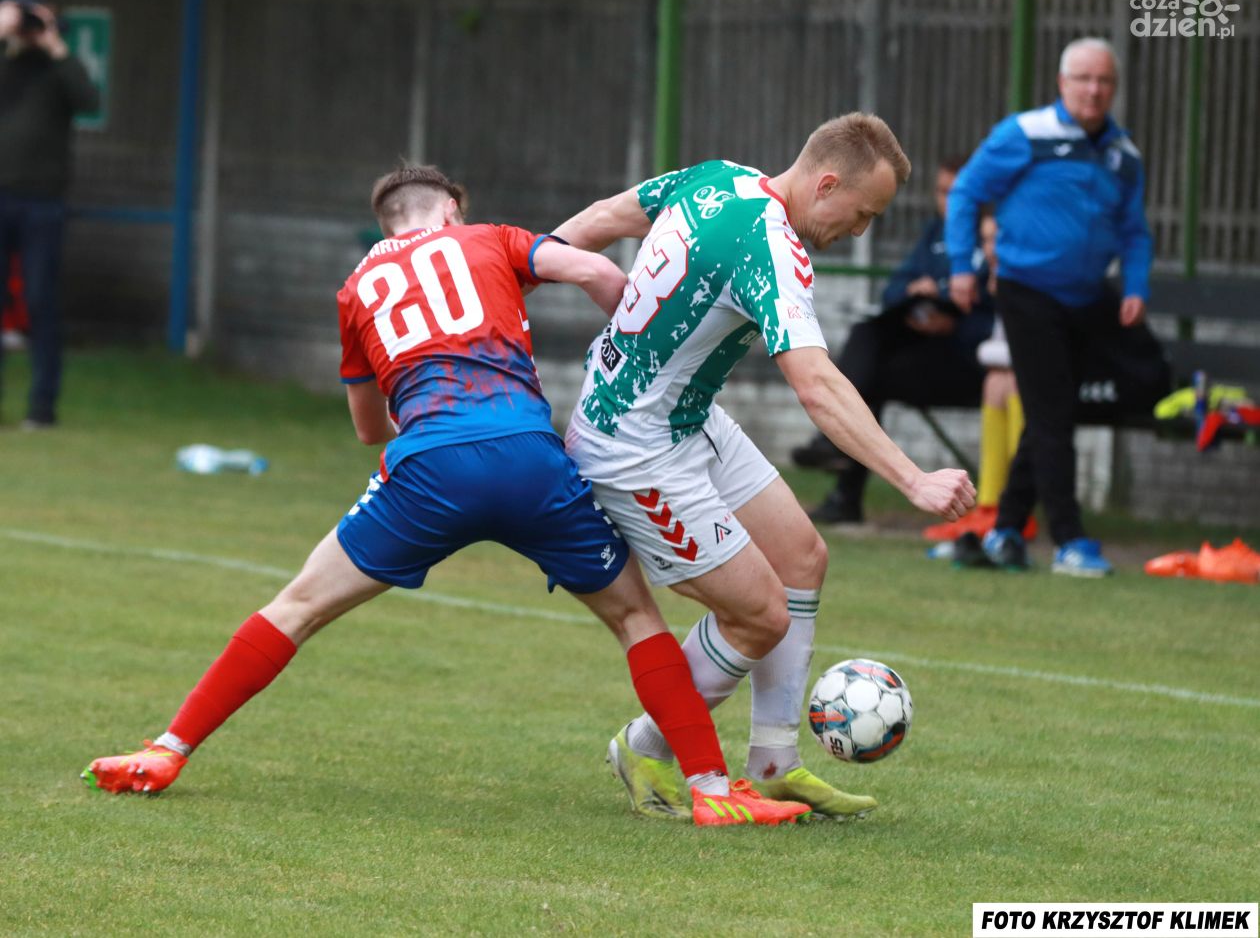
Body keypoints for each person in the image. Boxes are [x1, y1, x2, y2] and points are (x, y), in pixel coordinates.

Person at [81, 165, 810, 827]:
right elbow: (593, 267)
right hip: (531, 459)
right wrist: (629, 328)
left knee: (298, 606)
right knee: (634, 617)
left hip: (430, 467)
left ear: (387, 224)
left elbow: (368, 428)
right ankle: (711, 789)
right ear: (452, 210)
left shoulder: (357, 288)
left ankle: (168, 749)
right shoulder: (489, 238)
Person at [554, 114, 975, 820]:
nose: (860, 232)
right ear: (827, 184)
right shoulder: (773, 248)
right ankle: (644, 746)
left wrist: (517, 285)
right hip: (633, 445)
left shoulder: (719, 179)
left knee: (802, 559)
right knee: (758, 616)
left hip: (685, 417)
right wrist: (913, 478)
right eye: (863, 214)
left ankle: (775, 763)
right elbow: (817, 386)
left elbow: (600, 218)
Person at [947, 37, 1159, 577]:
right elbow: (967, 191)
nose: (1093, 89)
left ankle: (1006, 531)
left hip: (1087, 300)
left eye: (1104, 80)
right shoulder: (1025, 133)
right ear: (1062, 83)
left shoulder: (1123, 154)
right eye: (1083, 79)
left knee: (1053, 412)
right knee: (1053, 415)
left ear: (1114, 88)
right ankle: (1069, 540)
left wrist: (1136, 285)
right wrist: (962, 266)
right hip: (1028, 292)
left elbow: (1134, 231)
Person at [791, 156, 994, 526]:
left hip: (969, 362)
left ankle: (838, 466)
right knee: (867, 341)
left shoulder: (993, 238)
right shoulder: (936, 233)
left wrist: (952, 321)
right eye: (942, 192)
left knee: (868, 377)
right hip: (923, 351)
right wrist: (914, 292)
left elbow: (1002, 316)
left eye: (957, 193)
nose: (948, 202)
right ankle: (843, 487)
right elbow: (893, 289)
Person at [0, 0, 98, 428]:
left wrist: (55, 46)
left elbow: (89, 101)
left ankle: (42, 409)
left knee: (40, 300)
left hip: (43, 202)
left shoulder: (60, 66)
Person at [923, 210, 1034, 544]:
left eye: (996, 239)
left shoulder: (1028, 279)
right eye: (985, 240)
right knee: (996, 383)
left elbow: (1021, 350)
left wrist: (988, 351)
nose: (990, 249)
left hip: (1065, 377)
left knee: (1012, 381)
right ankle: (989, 506)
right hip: (1020, 375)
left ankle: (1018, 508)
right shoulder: (993, 278)